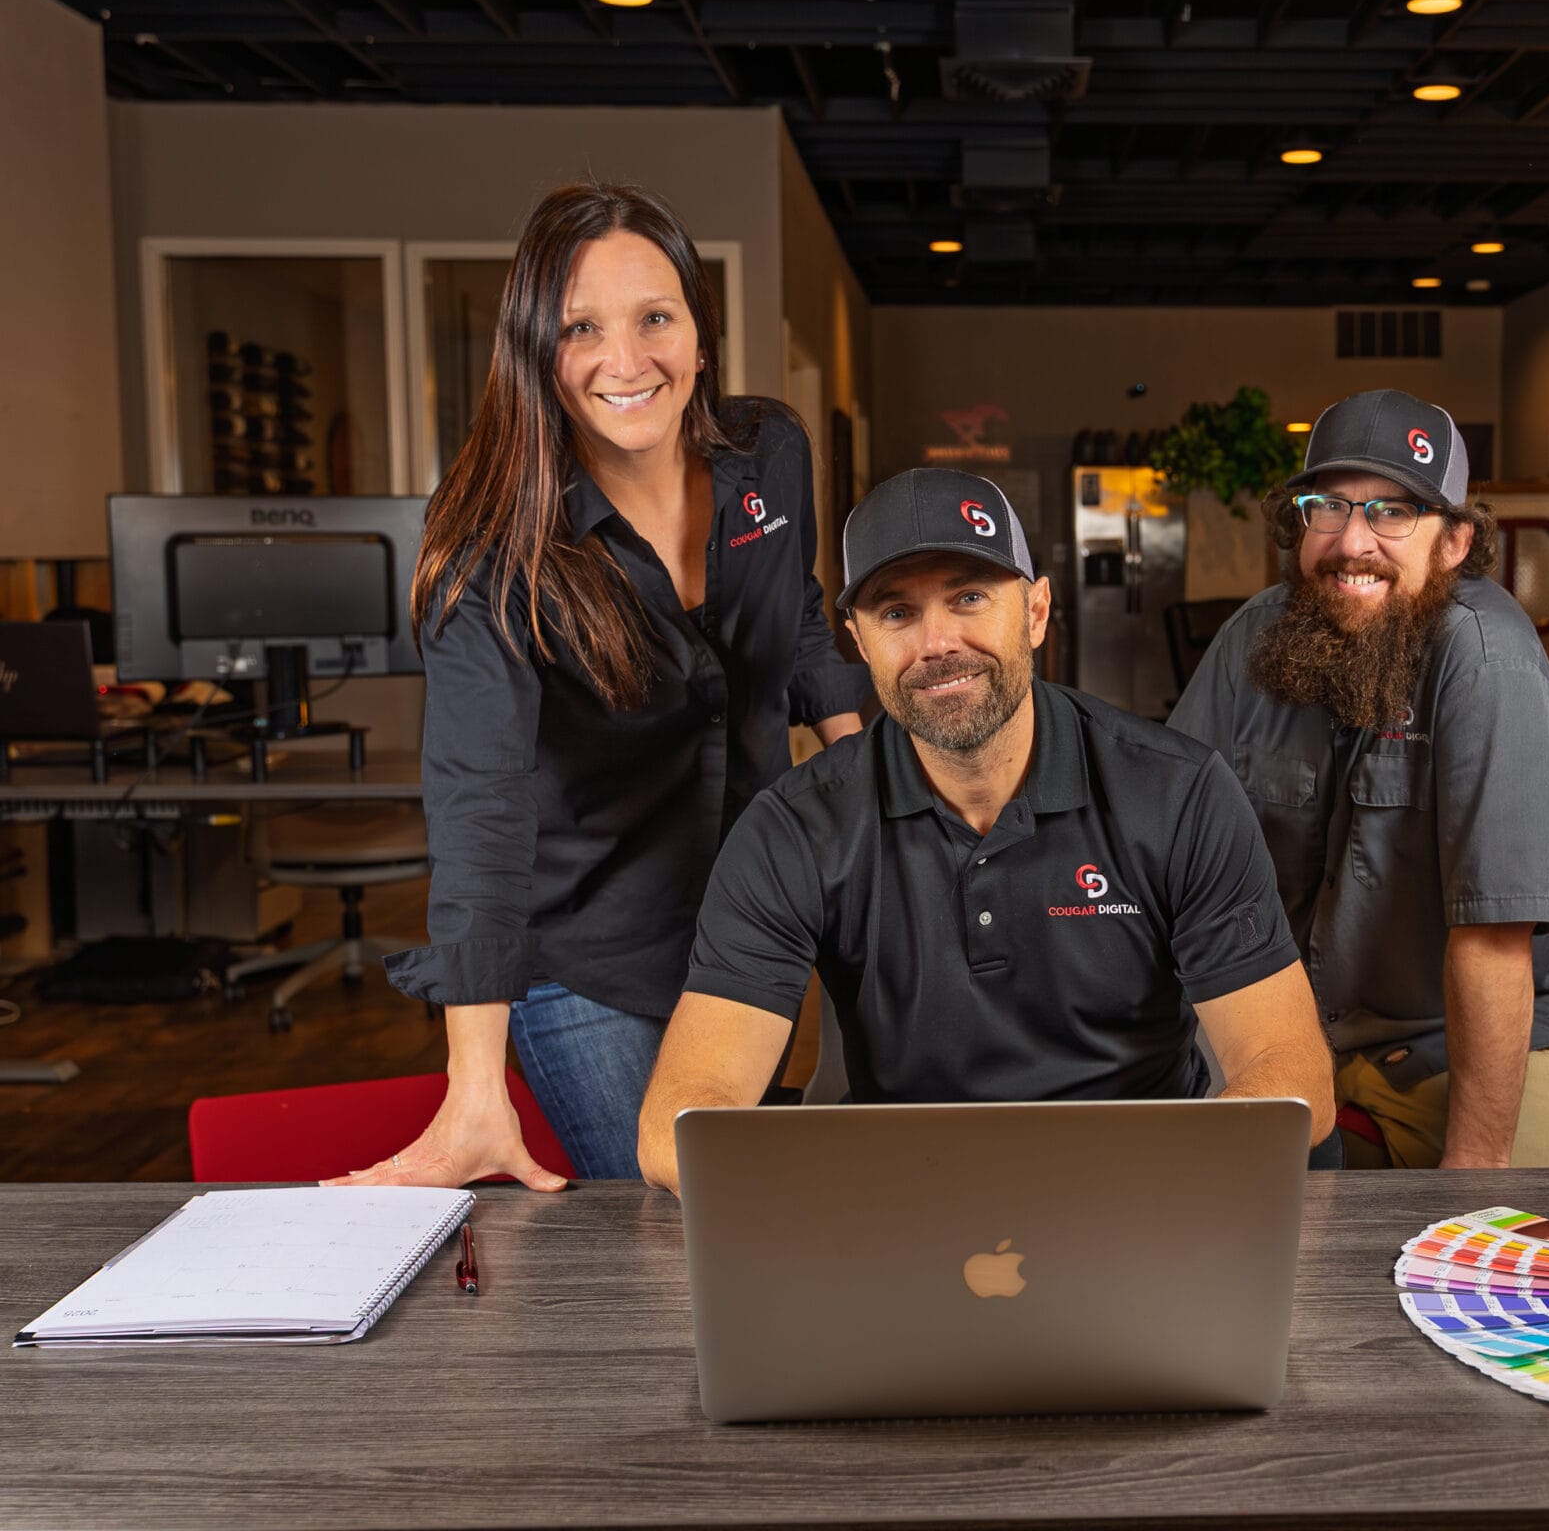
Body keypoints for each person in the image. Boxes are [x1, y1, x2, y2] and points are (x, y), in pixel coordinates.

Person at [331, 182, 867, 1189]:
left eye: (655, 318)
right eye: (582, 328)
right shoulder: (490, 551)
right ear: (539, 352)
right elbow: (479, 807)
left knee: (755, 1222)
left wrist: (863, 762)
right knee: (669, 1232)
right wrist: (473, 1086)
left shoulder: (768, 456)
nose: (627, 362)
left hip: (751, 925)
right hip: (589, 961)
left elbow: (793, 607)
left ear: (700, 336)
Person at [635, 467, 1337, 1194]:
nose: (937, 642)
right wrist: (828, 1202)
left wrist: (1166, 1189)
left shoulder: (1176, 791)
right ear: (858, 641)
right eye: (896, 613)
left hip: (1138, 1190)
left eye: (968, 598)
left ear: (1035, 611)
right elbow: (677, 1126)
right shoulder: (793, 827)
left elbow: (1289, 1072)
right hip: (901, 1201)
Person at [1168, 389, 1549, 1170]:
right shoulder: (1253, 637)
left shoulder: (1486, 658)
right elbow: (1163, 838)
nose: (1352, 541)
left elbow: (1493, 935)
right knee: (1175, 1212)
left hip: (1454, 1030)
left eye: (1394, 512)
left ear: (1454, 542)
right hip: (1285, 1020)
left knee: (1506, 1264)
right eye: (1327, 507)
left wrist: (1473, 1173)